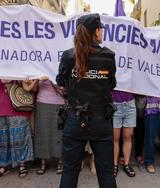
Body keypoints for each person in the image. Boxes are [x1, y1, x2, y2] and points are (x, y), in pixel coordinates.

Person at [56, 14, 117, 188]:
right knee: (106, 171)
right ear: (96, 31)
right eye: (101, 29)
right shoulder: (108, 56)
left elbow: (60, 81)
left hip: (75, 119)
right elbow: (112, 83)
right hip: (101, 121)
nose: (102, 32)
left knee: (70, 170)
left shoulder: (68, 56)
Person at [25, 79, 65, 175]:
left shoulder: (59, 66)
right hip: (42, 102)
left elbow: (65, 89)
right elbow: (34, 89)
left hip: (59, 102)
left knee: (59, 133)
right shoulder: (40, 67)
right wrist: (36, 80)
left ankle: (61, 162)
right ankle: (43, 162)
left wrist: (51, 79)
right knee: (42, 133)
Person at [112, 90, 136, 177]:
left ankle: (126, 164)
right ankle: (114, 165)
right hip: (114, 104)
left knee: (128, 137)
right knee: (115, 138)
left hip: (130, 104)